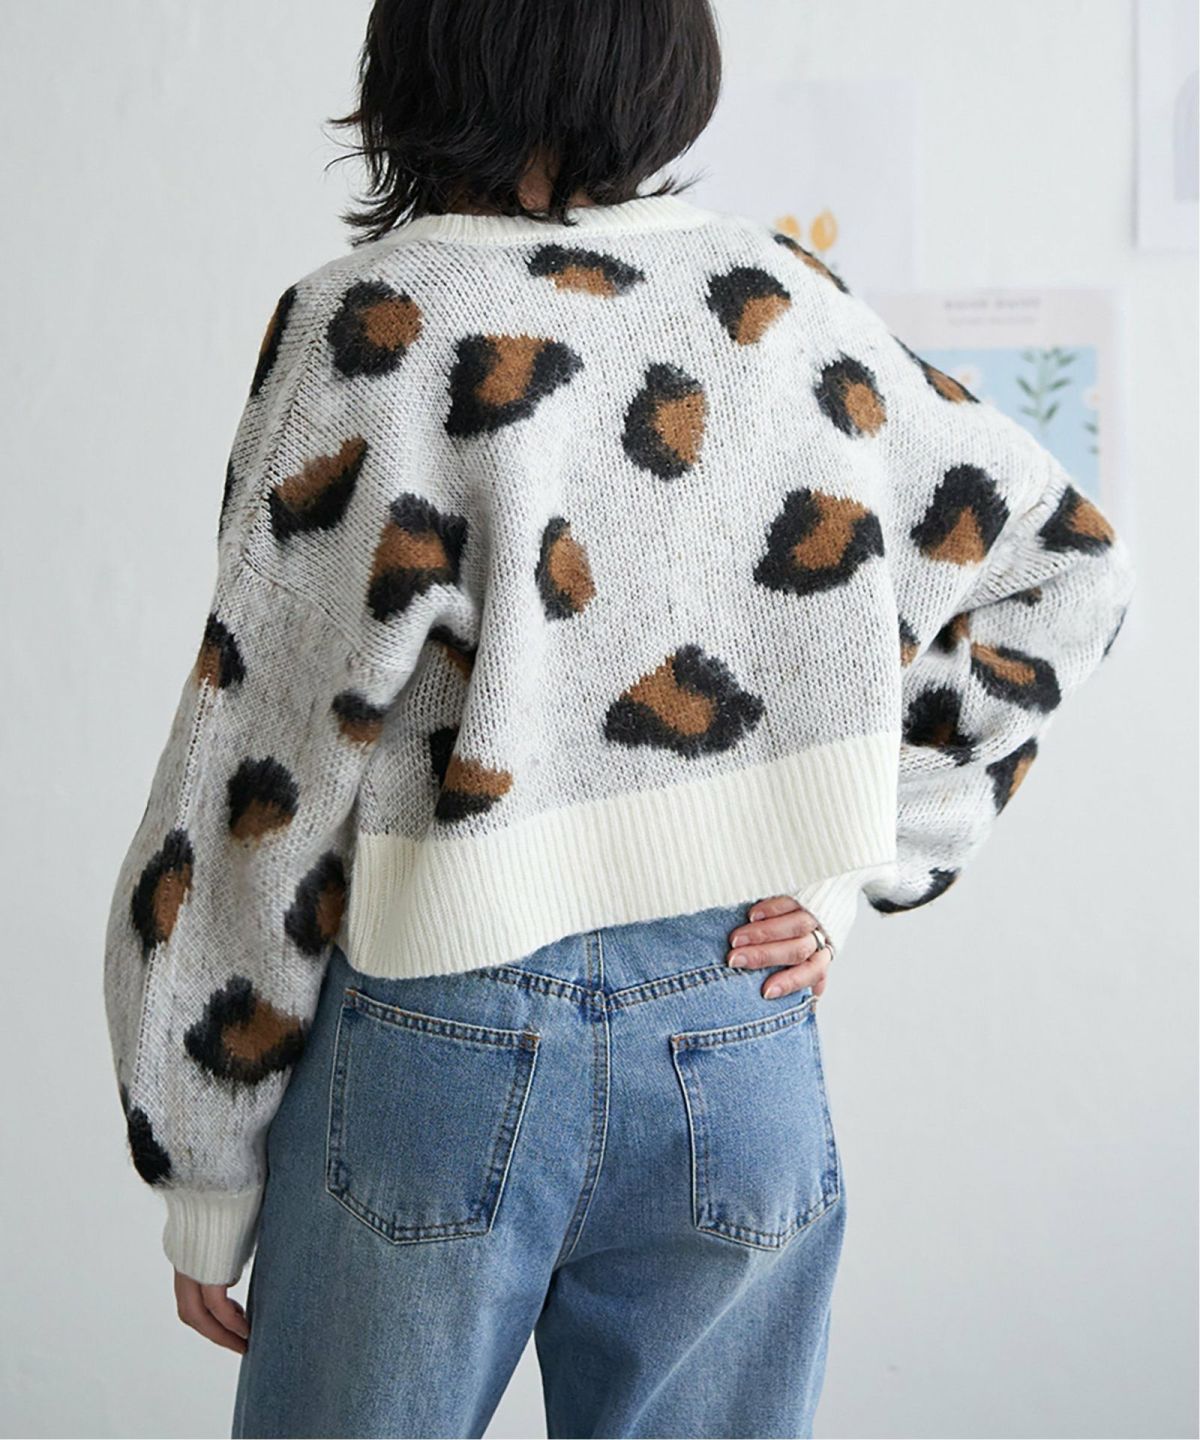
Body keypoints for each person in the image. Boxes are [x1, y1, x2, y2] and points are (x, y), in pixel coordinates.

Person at [102, 1, 1135, 1435]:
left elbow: (256, 764)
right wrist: (858, 855)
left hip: (440, 1036)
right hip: (736, 1020)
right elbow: (1068, 564)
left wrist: (202, 1159)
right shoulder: (787, 303)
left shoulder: (373, 321)